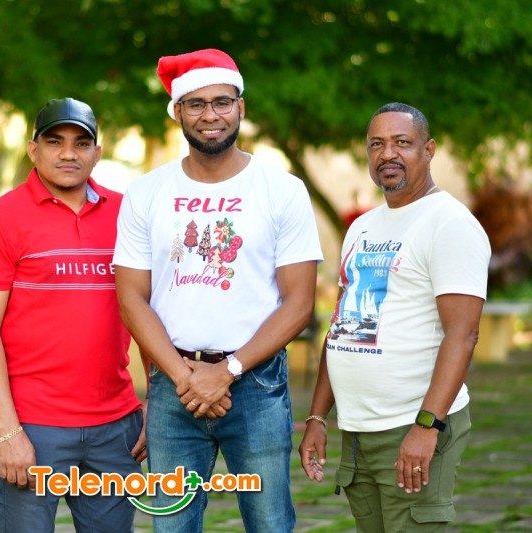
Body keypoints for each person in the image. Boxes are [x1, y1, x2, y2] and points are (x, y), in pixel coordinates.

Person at [114, 48, 323, 532]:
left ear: (241, 107)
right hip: (174, 386)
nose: (210, 115)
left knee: (270, 523)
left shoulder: (282, 190)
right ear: (178, 112)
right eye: (196, 104)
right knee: (171, 526)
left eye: (222, 102)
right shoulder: (146, 193)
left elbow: (298, 303)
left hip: (256, 384)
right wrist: (186, 378)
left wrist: (227, 371)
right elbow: (130, 298)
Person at [299, 102, 491, 532]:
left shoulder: (449, 224)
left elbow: (463, 335)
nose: (388, 154)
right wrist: (317, 417)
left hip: (411, 425)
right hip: (357, 431)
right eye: (377, 144)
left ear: (429, 149)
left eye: (402, 142)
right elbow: (342, 327)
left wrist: (428, 426)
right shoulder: (363, 227)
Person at [0, 98, 145, 533]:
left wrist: (155, 407)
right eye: (54, 141)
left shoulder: (128, 215)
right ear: (33, 150)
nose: (68, 153)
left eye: (81, 143)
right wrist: (7, 431)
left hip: (115, 427)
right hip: (32, 426)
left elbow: (152, 313)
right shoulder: (1, 219)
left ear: (97, 153)